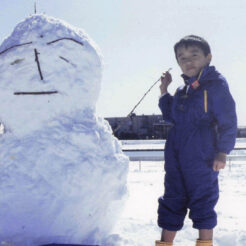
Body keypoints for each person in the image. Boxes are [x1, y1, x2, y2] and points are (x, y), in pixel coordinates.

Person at [155, 35, 237, 246]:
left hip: (202, 153)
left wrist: (222, 151)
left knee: (203, 199)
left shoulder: (215, 84)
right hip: (175, 152)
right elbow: (171, 116)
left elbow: (228, 119)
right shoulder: (183, 90)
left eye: (194, 55)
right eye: (182, 58)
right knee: (172, 197)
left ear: (208, 57)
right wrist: (165, 91)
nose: (188, 61)